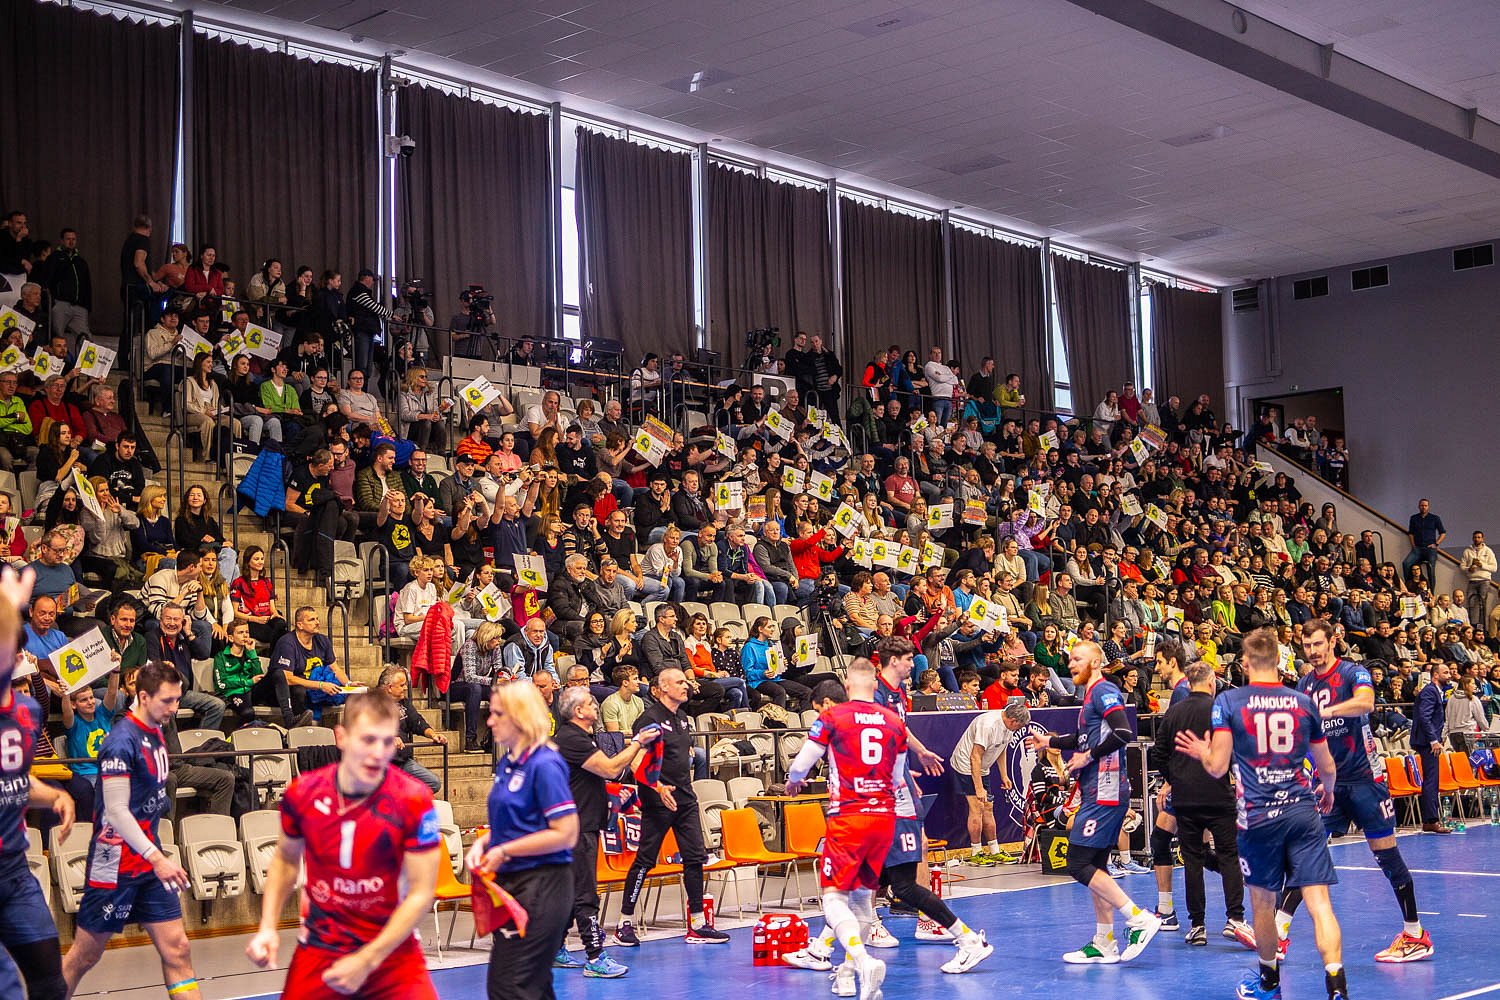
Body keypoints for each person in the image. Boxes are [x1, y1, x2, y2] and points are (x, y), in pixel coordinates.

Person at [1175, 627, 1347, 1000]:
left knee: (1263, 905)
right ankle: (1336, 986)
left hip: (1258, 817)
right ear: (1279, 661)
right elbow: (1327, 766)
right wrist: (1329, 791)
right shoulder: (1303, 702)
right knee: (1319, 903)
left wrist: (1202, 752)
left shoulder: (1229, 702)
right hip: (1302, 811)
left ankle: (1269, 982)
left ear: (1246, 662)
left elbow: (1217, 767)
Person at [246, 691, 442, 999]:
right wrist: (268, 926)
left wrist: (367, 960)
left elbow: (421, 893)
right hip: (322, 949)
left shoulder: (414, 799)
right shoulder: (304, 793)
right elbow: (285, 860)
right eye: (368, 740)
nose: (378, 753)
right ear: (341, 737)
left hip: (391, 953)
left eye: (387, 742)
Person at [1272, 618, 1434, 964]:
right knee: (1305, 855)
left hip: (1365, 782)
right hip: (1329, 785)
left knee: (1386, 855)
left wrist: (1326, 711)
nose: (1312, 651)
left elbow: (1366, 703)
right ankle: (1277, 934)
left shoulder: (1352, 673)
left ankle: (1415, 934)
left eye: (1318, 644)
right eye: (1307, 646)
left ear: (1332, 641)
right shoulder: (1305, 683)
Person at [62, 663, 203, 999]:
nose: (174, 708)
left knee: (177, 948)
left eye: (177, 700)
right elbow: (116, 811)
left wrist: (154, 857)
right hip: (114, 863)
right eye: (167, 701)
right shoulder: (120, 742)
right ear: (143, 697)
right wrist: (158, 858)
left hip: (149, 863)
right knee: (85, 955)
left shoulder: (155, 730)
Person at [1024, 640, 1161, 964]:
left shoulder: (1103, 691)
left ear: (1096, 662)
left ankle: (1139, 918)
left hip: (1105, 791)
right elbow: (1083, 739)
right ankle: (1104, 942)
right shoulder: (1089, 696)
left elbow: (1123, 732)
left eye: (1078, 658)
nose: (1071, 664)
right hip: (1097, 790)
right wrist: (1051, 741)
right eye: (1070, 659)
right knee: (1096, 867)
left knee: (1078, 863)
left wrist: (1088, 757)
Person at [784, 657, 904, 1000]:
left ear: (847, 686)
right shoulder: (894, 721)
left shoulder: (833, 717)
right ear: (875, 685)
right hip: (884, 818)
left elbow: (801, 765)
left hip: (849, 816)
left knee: (834, 898)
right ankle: (848, 975)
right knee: (863, 900)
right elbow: (897, 778)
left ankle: (863, 961)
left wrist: (794, 781)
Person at [467, 678, 581, 1000]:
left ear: (519, 716)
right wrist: (484, 843)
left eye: (498, 714)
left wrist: (504, 850)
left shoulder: (545, 764)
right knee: (530, 985)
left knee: (512, 986)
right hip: (512, 885)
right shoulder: (508, 763)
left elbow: (566, 833)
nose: (490, 721)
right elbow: (517, 822)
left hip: (543, 884)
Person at [612, 666, 729, 946]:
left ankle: (698, 924)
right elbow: (636, 762)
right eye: (679, 682)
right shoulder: (649, 719)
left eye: (685, 682)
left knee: (694, 859)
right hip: (658, 801)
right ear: (662, 687)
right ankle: (624, 923)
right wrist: (658, 787)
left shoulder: (683, 718)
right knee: (645, 861)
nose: (685, 685)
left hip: (685, 799)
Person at [0, 577, 75, 1000]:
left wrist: (54, 795)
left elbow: (14, 777)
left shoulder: (25, 712)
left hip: (13, 872)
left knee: (51, 982)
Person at [552, 685, 659, 978]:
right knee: (586, 893)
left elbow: (611, 772)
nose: (596, 706)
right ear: (578, 711)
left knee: (572, 890)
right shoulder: (572, 739)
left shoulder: (581, 737)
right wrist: (637, 743)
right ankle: (595, 956)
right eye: (590, 703)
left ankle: (555, 948)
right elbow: (610, 769)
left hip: (581, 824)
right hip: (576, 827)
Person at [1149, 657, 1248, 945]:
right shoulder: (1221, 710)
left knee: (1192, 860)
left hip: (1186, 798)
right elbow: (1236, 751)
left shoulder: (1174, 712)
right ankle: (1235, 918)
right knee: (1229, 856)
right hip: (1218, 795)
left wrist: (1175, 778)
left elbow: (1158, 754)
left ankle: (1197, 925)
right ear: (1211, 682)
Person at [949, 703, 1029, 861]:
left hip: (983, 767)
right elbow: (975, 756)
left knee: (988, 807)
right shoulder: (988, 725)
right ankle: (976, 852)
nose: (1019, 730)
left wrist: (1004, 775)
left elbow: (1002, 749)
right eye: (1019, 727)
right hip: (966, 766)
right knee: (977, 807)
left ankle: (994, 850)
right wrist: (979, 788)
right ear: (1013, 721)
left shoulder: (1009, 727)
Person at [379, 665, 448, 793]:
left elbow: (417, 721)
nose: (406, 688)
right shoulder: (373, 704)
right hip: (382, 764)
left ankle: (403, 797)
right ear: (389, 688)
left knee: (433, 783)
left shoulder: (403, 702)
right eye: (402, 685)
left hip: (403, 761)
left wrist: (433, 735)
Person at [1412, 660, 1451, 834]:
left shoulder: (1437, 691)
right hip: (1427, 742)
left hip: (1430, 741)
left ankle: (1430, 819)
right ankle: (1431, 820)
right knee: (1431, 781)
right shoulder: (1430, 691)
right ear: (1435, 675)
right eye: (1445, 672)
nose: (1449, 675)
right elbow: (1424, 717)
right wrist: (1433, 740)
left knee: (1432, 780)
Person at [1401, 498, 1445, 587]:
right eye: (1422, 505)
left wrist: (1436, 544)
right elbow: (1411, 533)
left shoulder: (1435, 518)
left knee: (1431, 571)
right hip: (1417, 549)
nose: (1423, 507)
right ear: (1419, 506)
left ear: (1428, 507)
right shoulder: (1414, 518)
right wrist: (1413, 545)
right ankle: (1409, 587)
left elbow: (1443, 533)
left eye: (1425, 505)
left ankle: (1431, 592)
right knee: (1406, 563)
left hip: (1430, 549)